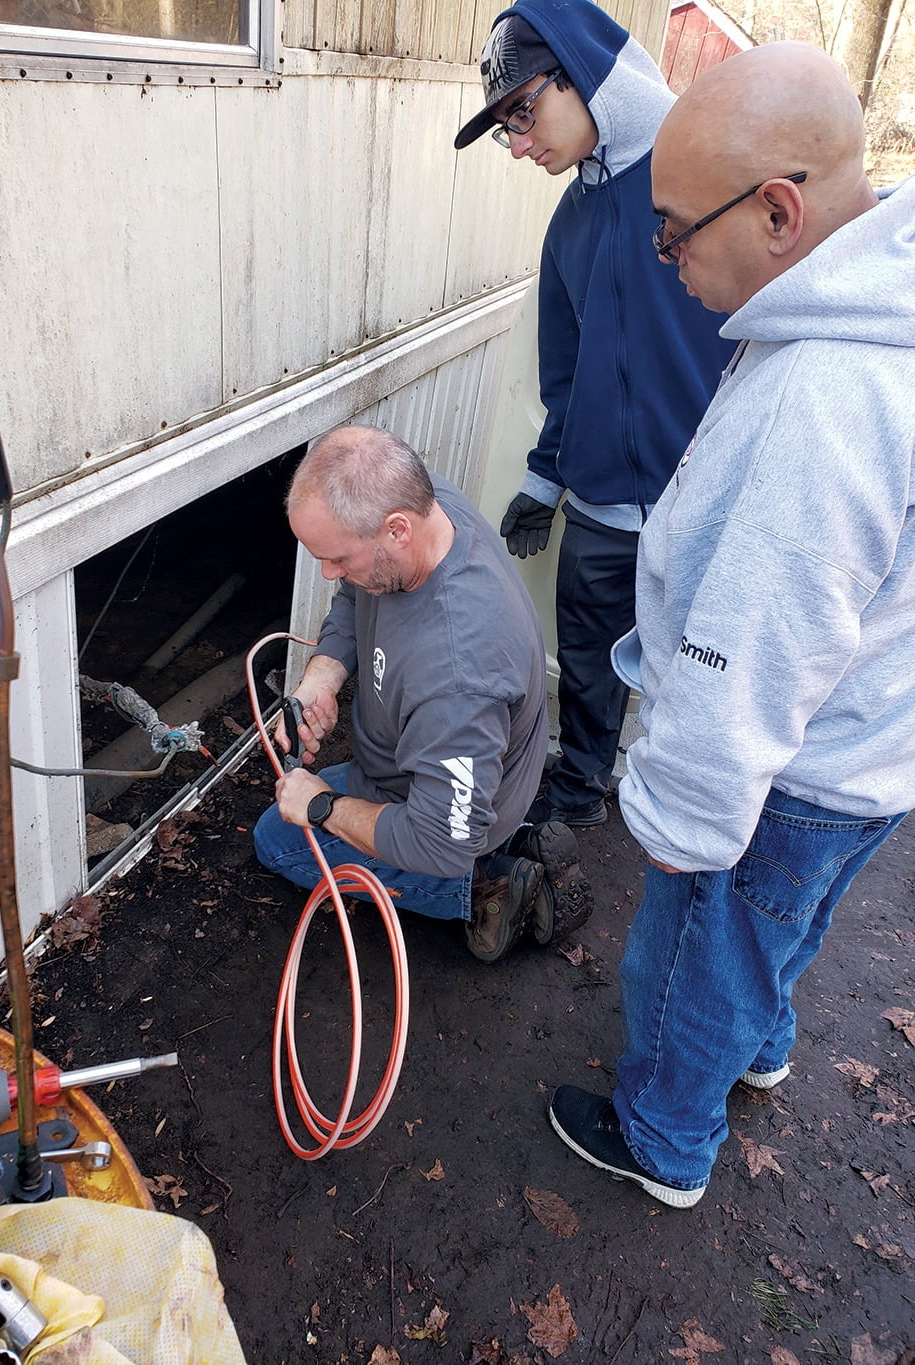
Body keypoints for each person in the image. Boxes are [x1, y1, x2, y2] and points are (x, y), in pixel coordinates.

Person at [548, 41, 915, 1206]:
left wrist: (676, 814)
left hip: (786, 768)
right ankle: (756, 1046)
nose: (666, 259)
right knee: (776, 932)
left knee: (690, 952)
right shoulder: (867, 307)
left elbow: (753, 646)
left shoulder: (826, 398)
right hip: (871, 745)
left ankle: (663, 1137)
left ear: (775, 210)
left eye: (673, 229)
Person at [454, 0, 734, 830]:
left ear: (580, 75)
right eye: (506, 126)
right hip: (604, 503)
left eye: (522, 112)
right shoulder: (570, 223)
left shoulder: (704, 182)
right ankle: (579, 788)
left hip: (710, 503)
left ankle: (692, 813)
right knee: (586, 651)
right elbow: (566, 372)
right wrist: (546, 479)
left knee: (705, 667)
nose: (517, 143)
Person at [252, 425, 593, 963]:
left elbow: (440, 839)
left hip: (447, 813)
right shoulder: (422, 503)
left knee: (277, 839)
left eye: (338, 558)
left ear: (396, 530)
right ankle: (500, 845)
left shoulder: (457, 672)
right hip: (458, 766)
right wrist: (325, 673)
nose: (327, 572)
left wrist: (321, 806)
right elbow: (351, 595)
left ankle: (489, 884)